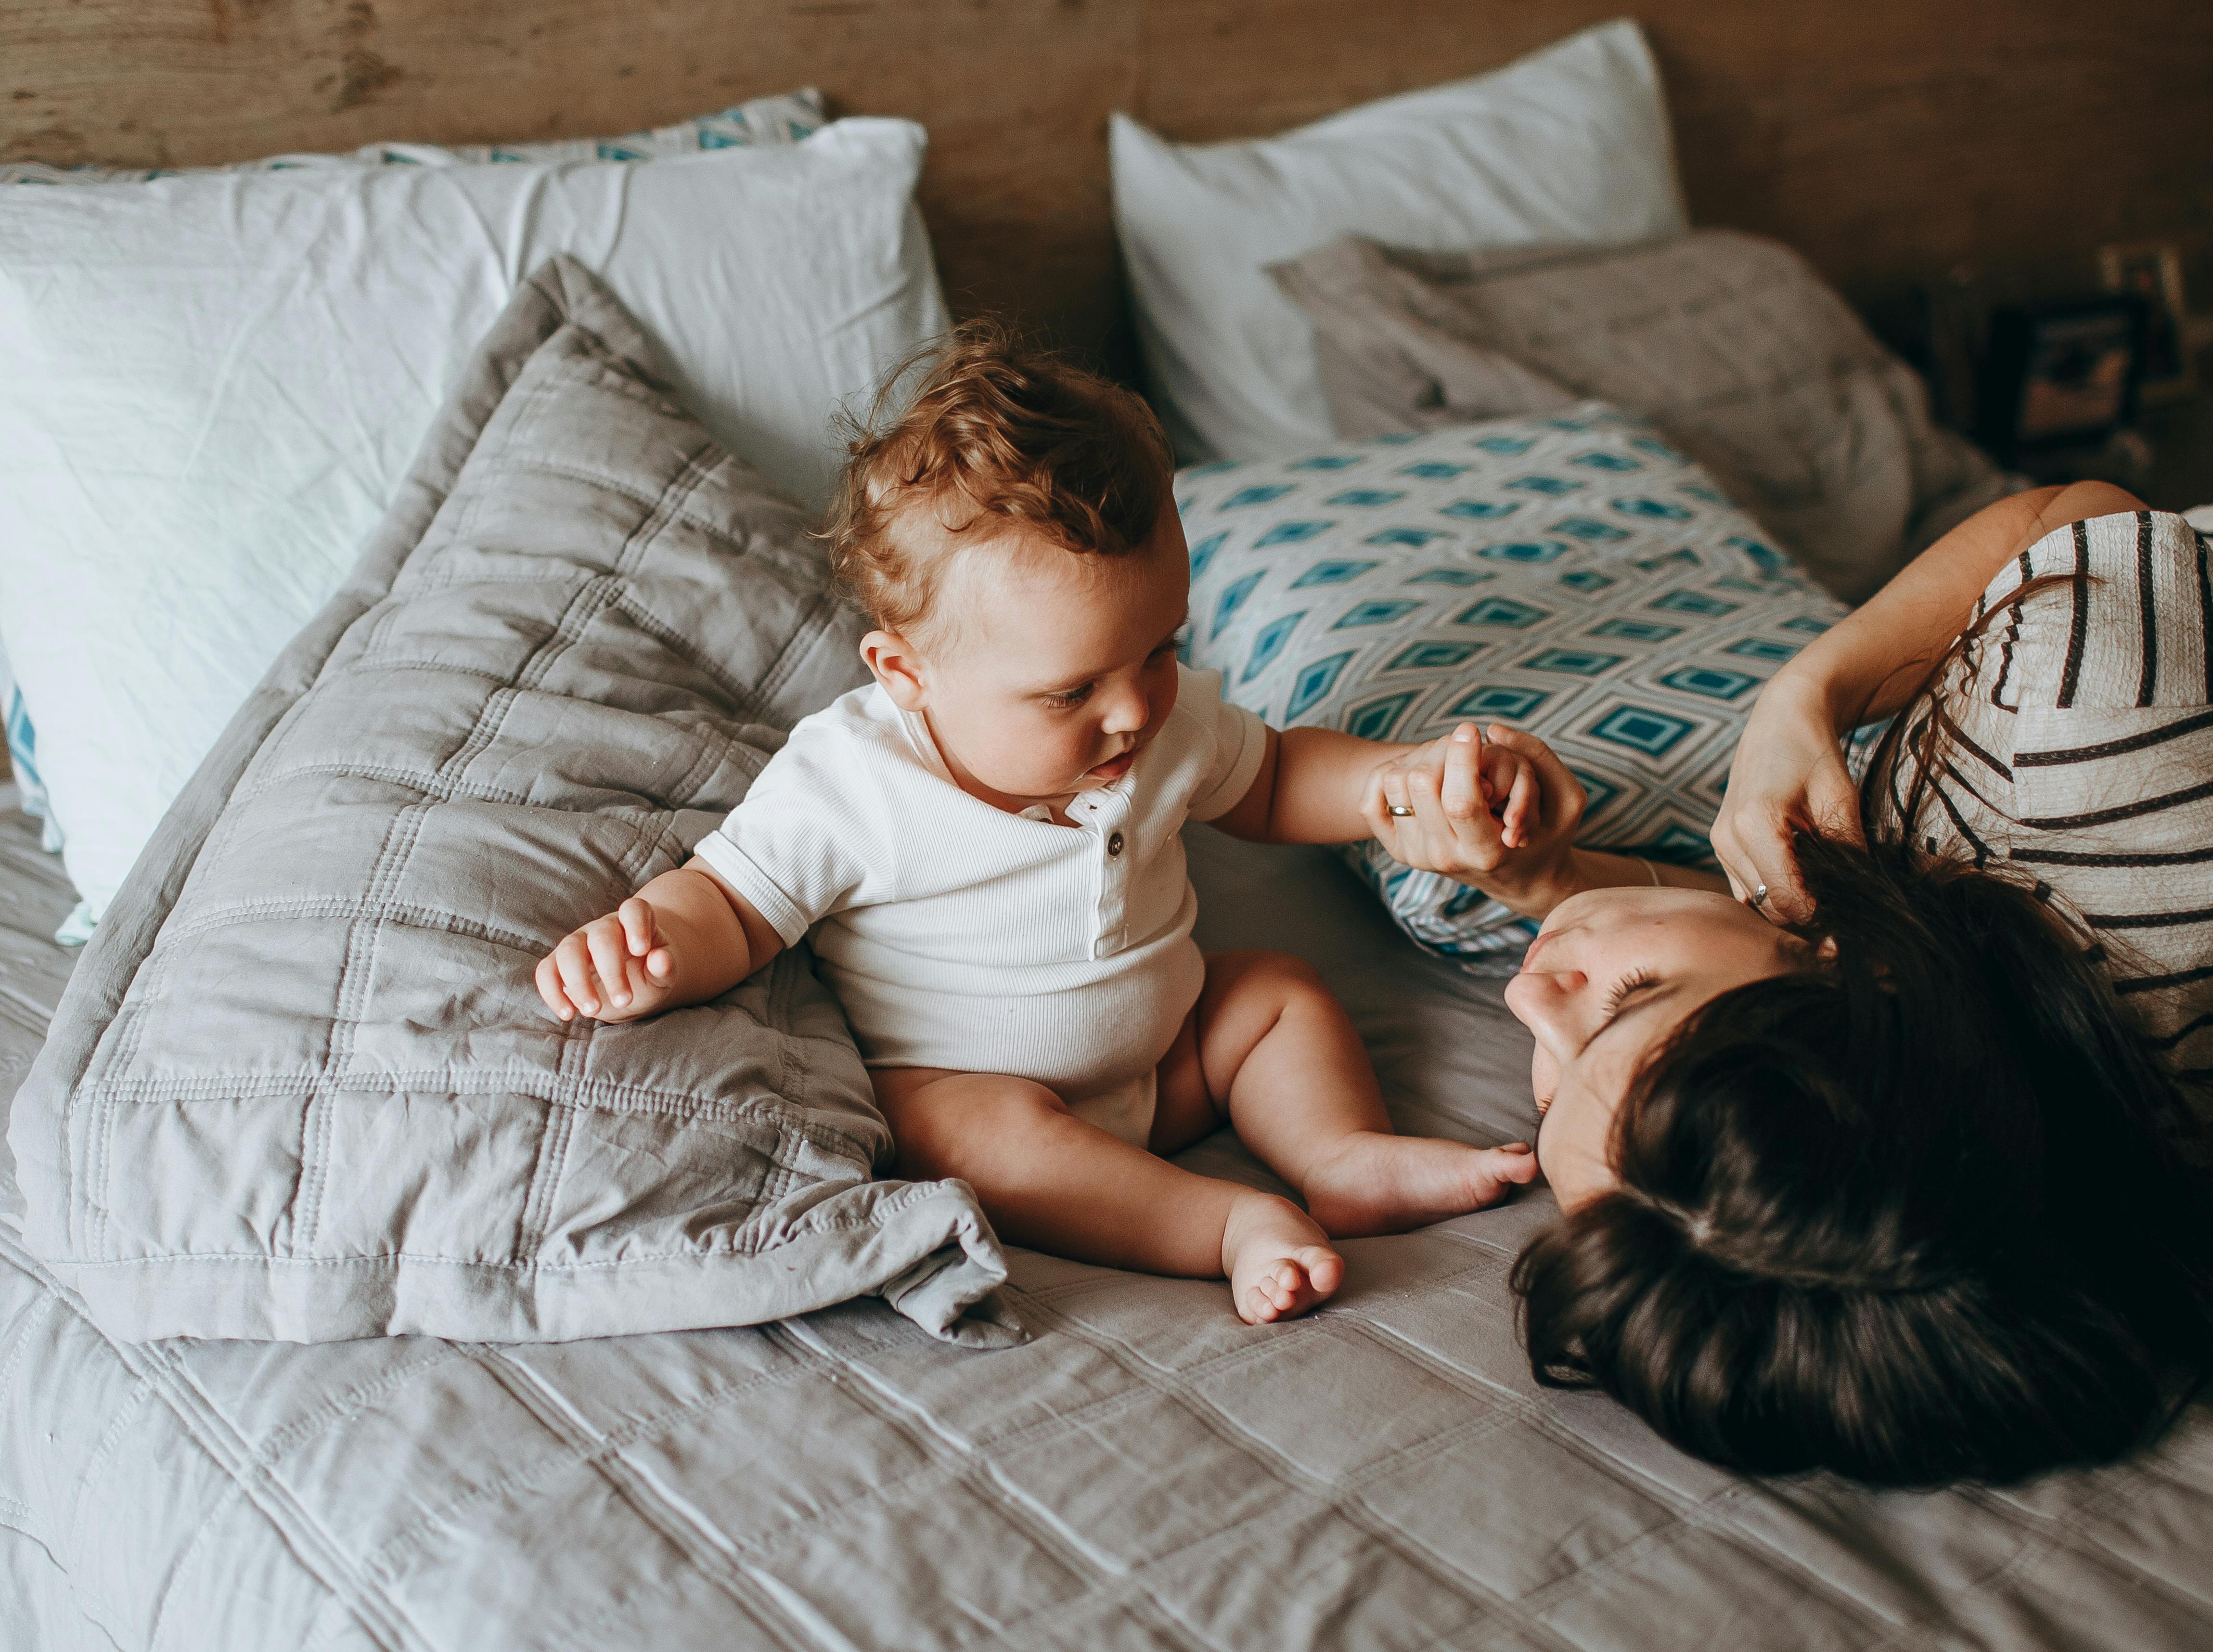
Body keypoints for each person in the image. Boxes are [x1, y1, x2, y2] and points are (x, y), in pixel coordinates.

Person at [1367, 478, 2213, 1485]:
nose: (1525, 996)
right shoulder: (2080, 738)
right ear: (1867, 989)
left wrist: (1557, 879)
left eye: (1552, 1087)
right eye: (1622, 999)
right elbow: (2079, 513)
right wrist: (1809, 692)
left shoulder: (2070, 1163)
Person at [533, 330, 1542, 1325]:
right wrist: (654, 945)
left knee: (1274, 992)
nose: (1135, 710)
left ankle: (1338, 1155)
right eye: (1070, 692)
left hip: (1173, 1064)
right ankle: (1226, 1223)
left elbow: (1274, 779)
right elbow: (737, 903)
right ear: (907, 675)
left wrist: (1392, 784)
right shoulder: (853, 779)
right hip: (986, 1092)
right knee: (962, 1135)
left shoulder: (1162, 718)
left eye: (1159, 649)